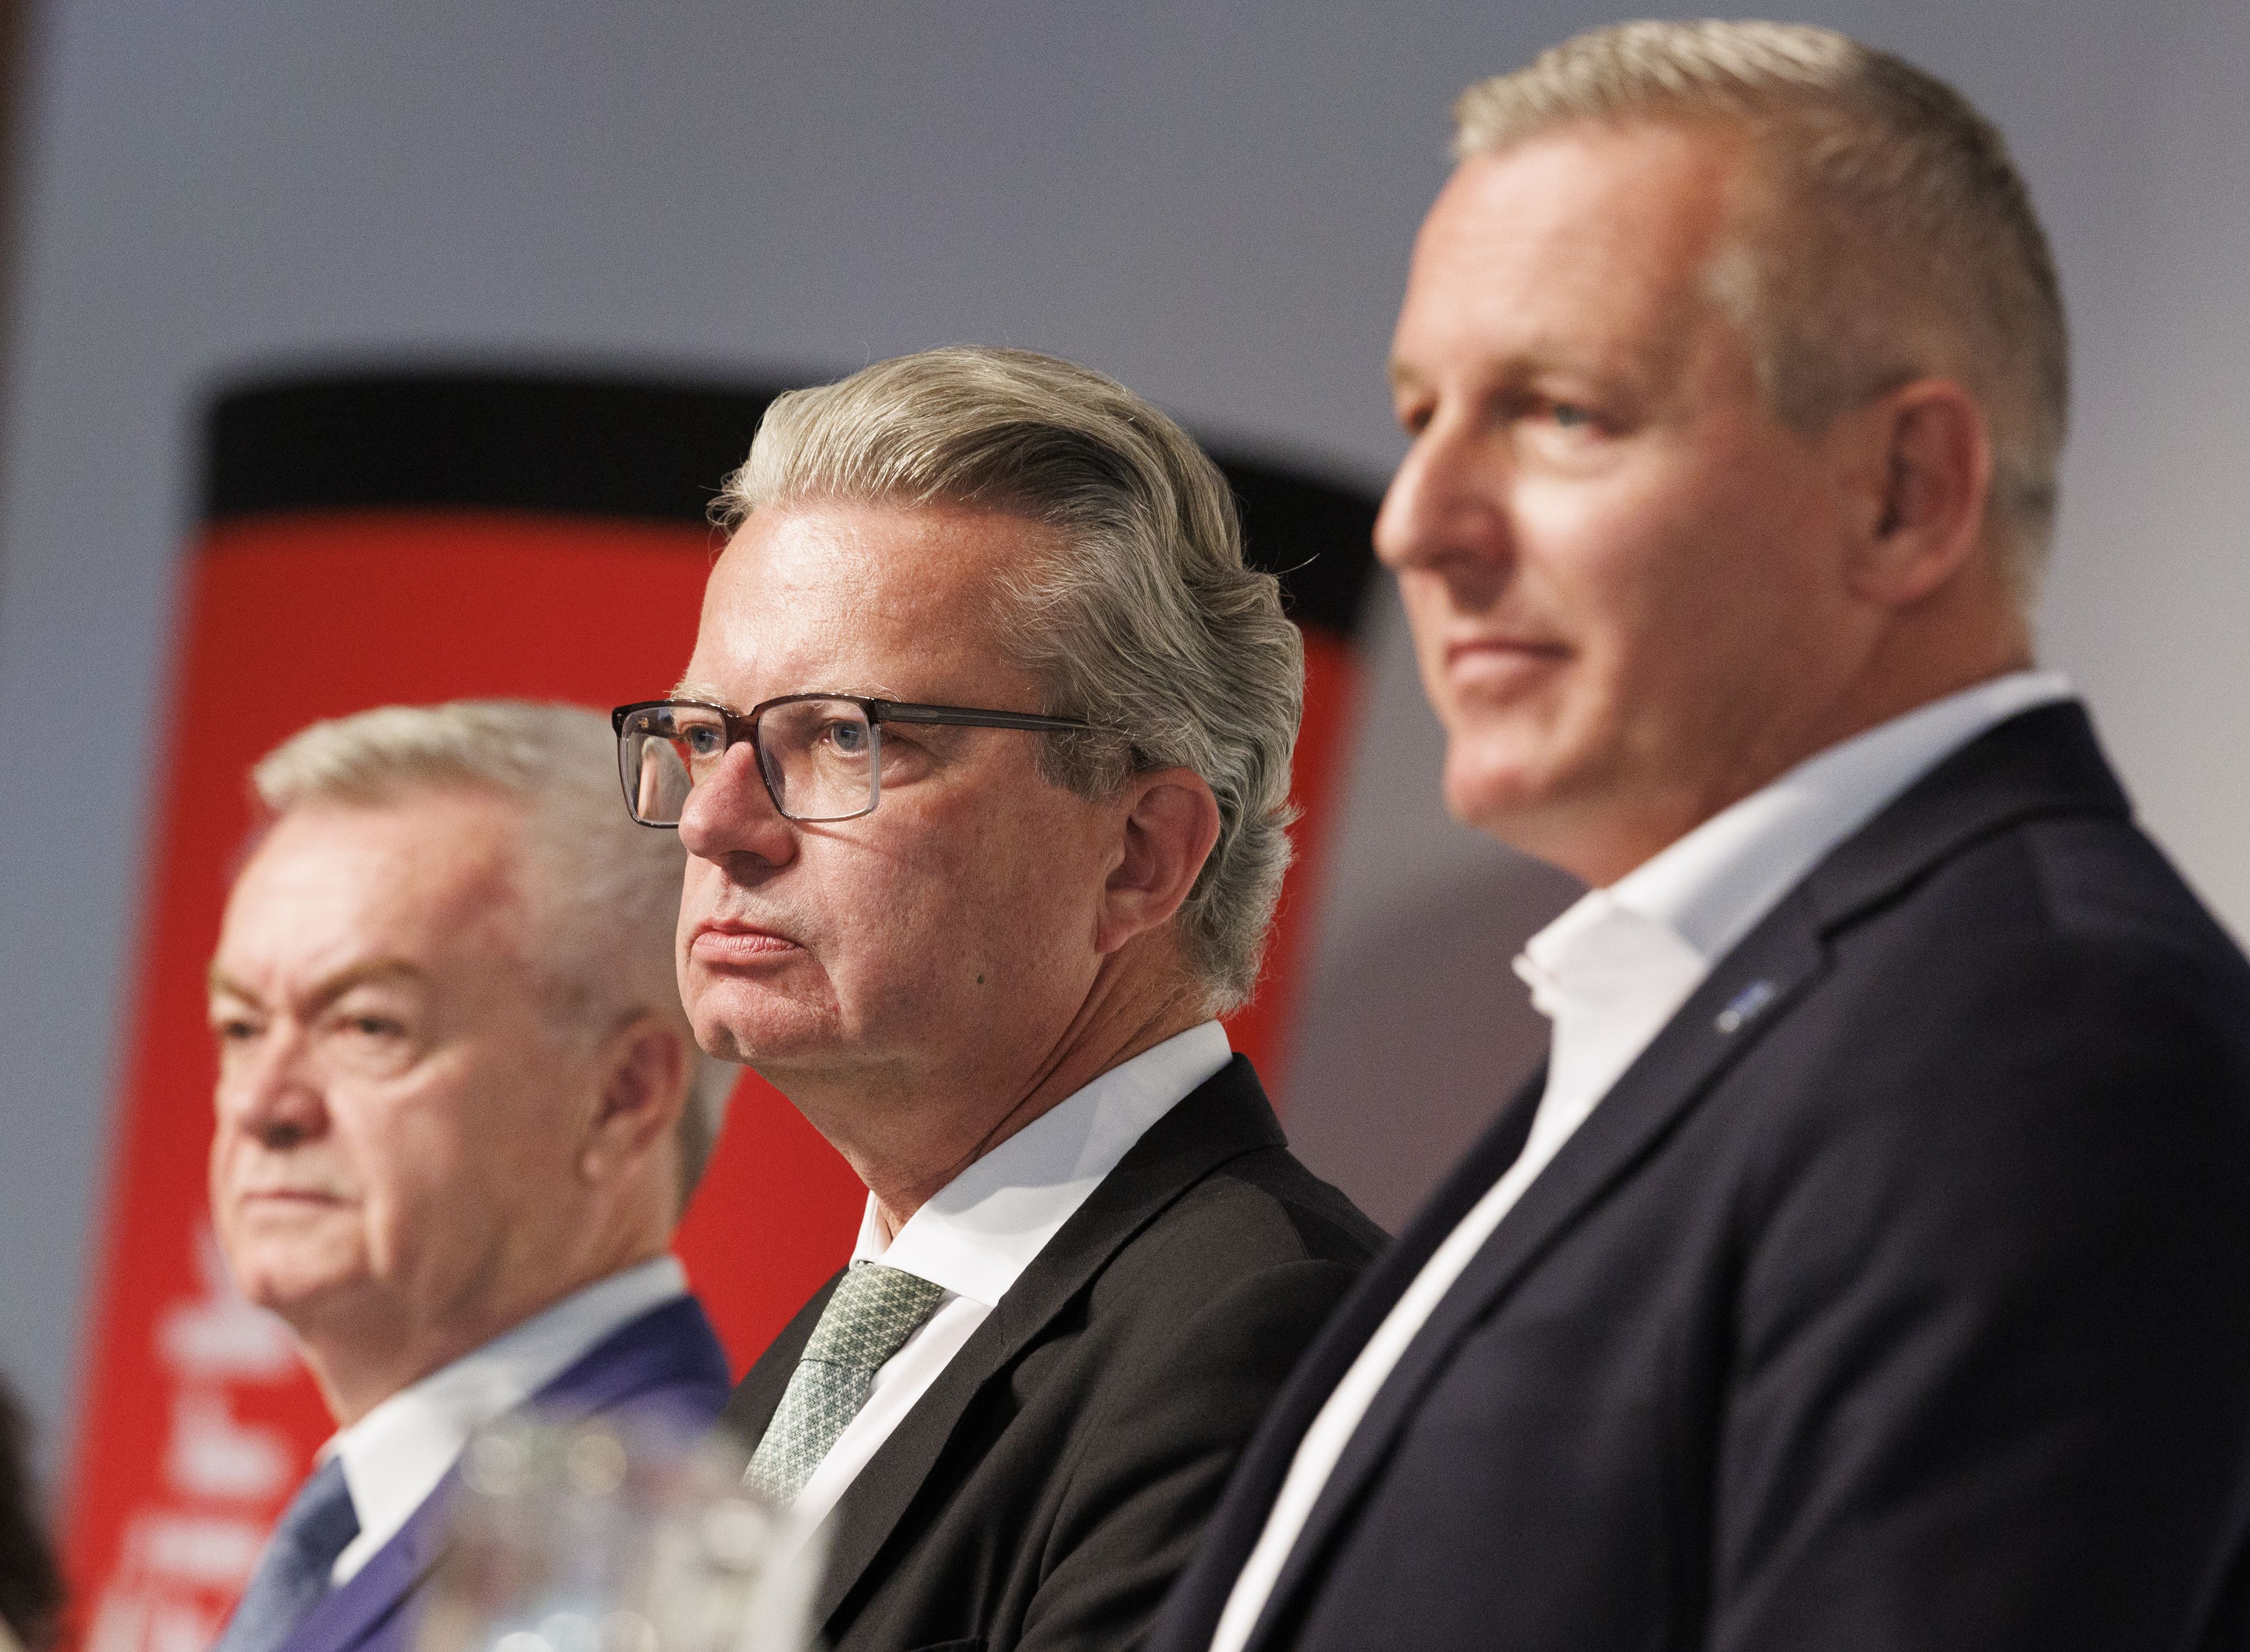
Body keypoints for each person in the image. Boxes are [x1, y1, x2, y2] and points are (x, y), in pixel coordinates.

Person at [1150, 21, 2250, 1652]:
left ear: (1905, 493)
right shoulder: (1743, 1017)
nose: (1418, 525)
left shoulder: (2038, 1043)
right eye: (1423, 413)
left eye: (1561, 412)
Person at [618, 344, 1383, 1652]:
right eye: (701, 736)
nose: (715, 822)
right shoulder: (810, 1373)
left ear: (1138, 852)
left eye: (845, 737)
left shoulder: (1257, 1337)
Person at [205, 701, 738, 1652]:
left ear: (622, 1096)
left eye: (368, 1025)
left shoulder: (638, 1560)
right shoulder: (385, 1513)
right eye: (242, 1029)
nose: (262, 1106)